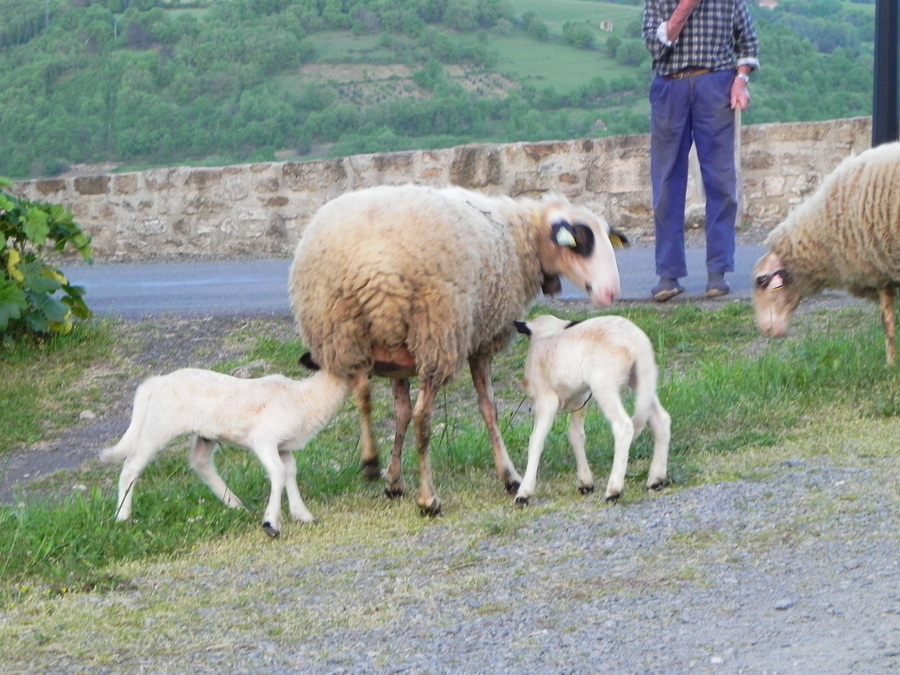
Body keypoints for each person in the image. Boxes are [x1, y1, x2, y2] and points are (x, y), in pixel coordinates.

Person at [641, 0, 759, 301]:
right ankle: (668, 276)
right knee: (667, 183)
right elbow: (655, 47)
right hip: (670, 86)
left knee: (720, 182)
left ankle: (717, 273)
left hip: (715, 84)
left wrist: (740, 81)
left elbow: (748, 44)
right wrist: (685, 7)